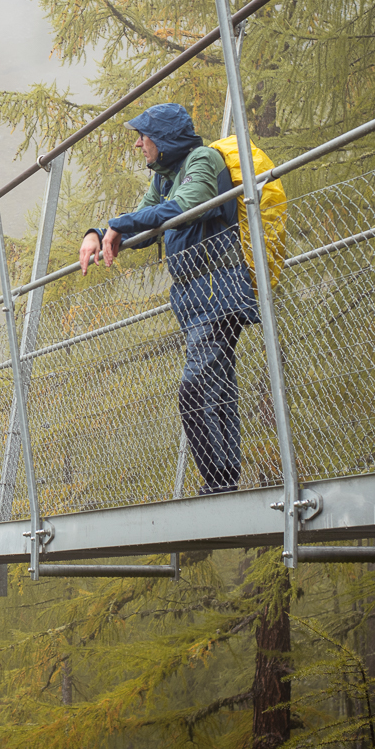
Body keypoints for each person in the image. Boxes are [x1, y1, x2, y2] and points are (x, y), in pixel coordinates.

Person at [78, 103, 259, 494]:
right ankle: (224, 478)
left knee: (196, 389)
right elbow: (140, 227)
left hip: (220, 293)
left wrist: (116, 226)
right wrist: (99, 233)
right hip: (196, 301)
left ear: (164, 138)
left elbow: (186, 206)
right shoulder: (164, 179)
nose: (139, 144)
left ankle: (219, 486)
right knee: (217, 387)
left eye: (144, 136)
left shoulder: (202, 160)